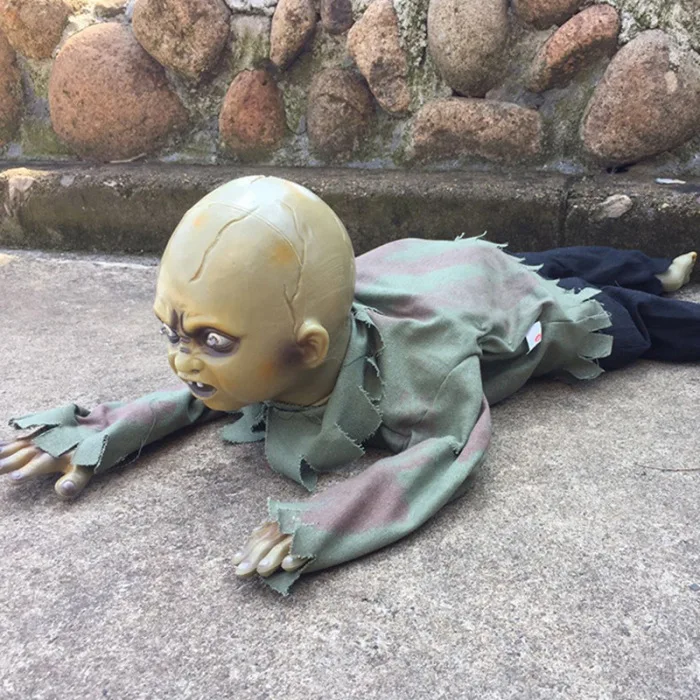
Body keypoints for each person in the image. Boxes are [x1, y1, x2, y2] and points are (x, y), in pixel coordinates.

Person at [1, 176, 698, 595]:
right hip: (424, 265)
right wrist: (103, 431)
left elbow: (447, 446)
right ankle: (656, 265)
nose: (182, 362)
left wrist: (330, 522)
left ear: (309, 348)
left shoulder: (420, 376)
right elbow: (208, 392)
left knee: (596, 308)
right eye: (170, 332)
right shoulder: (280, 352)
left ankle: (654, 276)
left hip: (481, 302)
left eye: (211, 341)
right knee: (543, 257)